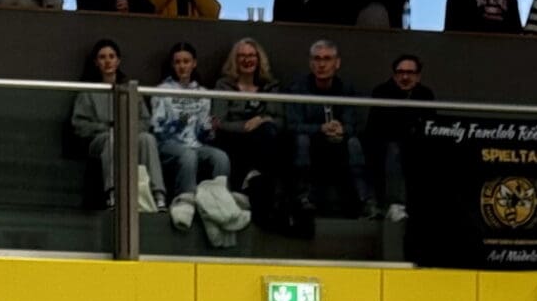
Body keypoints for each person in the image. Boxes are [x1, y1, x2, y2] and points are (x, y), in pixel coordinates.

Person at [70, 39, 166, 211]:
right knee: (112, 139)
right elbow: (79, 124)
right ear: (96, 62)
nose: (107, 61)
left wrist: (127, 129)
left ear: (118, 60)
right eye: (102, 57)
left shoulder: (130, 90)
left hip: (130, 134)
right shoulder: (88, 92)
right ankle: (113, 194)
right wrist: (107, 128)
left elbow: (145, 120)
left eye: (111, 56)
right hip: (101, 140)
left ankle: (157, 194)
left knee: (147, 139)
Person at [288, 40, 374, 224]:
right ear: (311, 63)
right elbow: (293, 125)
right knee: (301, 140)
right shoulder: (298, 89)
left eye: (327, 59)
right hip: (311, 140)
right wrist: (321, 128)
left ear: (337, 63)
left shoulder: (346, 89)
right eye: (317, 59)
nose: (321, 64)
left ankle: (365, 201)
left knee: (354, 142)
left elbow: (354, 124)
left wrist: (342, 129)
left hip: (339, 142)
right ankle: (303, 197)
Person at [150, 42, 230, 220]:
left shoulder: (202, 93)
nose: (182, 66)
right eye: (178, 62)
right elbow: (157, 129)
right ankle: (185, 201)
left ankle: (220, 201)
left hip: (196, 144)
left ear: (194, 63)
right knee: (188, 155)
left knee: (220, 157)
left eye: (186, 61)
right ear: (172, 65)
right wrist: (180, 122)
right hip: (168, 145)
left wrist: (209, 127)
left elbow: (204, 135)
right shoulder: (162, 91)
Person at [214, 38, 289, 221]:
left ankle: (262, 190)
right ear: (235, 60)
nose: (247, 60)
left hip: (264, 140)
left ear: (259, 59)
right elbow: (219, 122)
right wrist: (249, 125)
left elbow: (280, 121)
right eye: (242, 56)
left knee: (270, 132)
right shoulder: (224, 85)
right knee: (265, 133)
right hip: (233, 139)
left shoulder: (270, 86)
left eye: (251, 55)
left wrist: (262, 120)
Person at [366, 51, 434, 221]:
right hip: (385, 145)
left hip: (416, 145)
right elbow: (379, 128)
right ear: (394, 74)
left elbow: (429, 126)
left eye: (410, 73)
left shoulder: (425, 94)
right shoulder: (381, 92)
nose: (404, 77)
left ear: (418, 76)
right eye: (400, 72)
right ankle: (395, 205)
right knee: (395, 149)